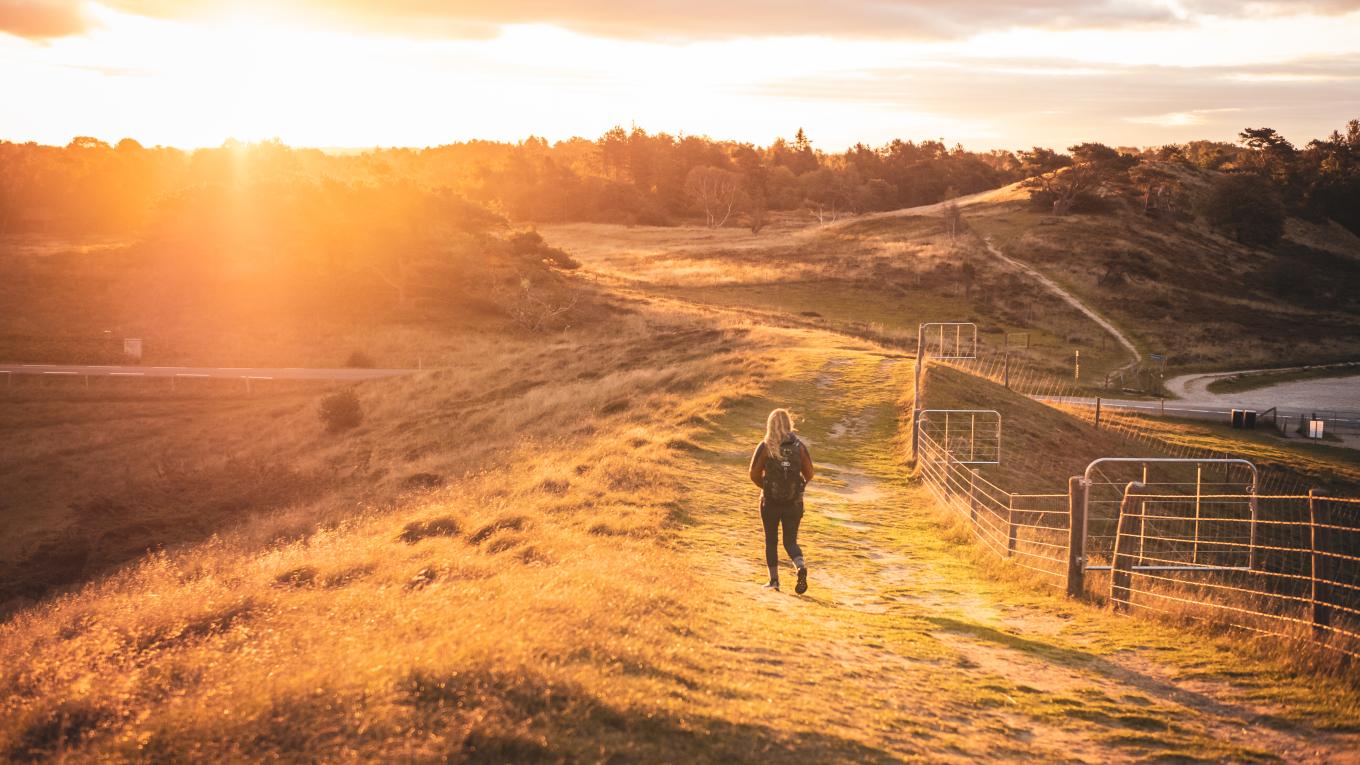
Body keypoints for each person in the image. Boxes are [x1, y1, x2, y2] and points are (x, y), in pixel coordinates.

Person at [748, 408, 815, 593]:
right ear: (789, 423)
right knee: (790, 542)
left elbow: (753, 474)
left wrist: (767, 487)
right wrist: (795, 488)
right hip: (794, 504)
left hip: (770, 503)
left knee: (771, 540)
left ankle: (774, 581)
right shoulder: (799, 446)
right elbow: (810, 473)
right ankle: (800, 566)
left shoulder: (765, 446)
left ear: (770, 424)